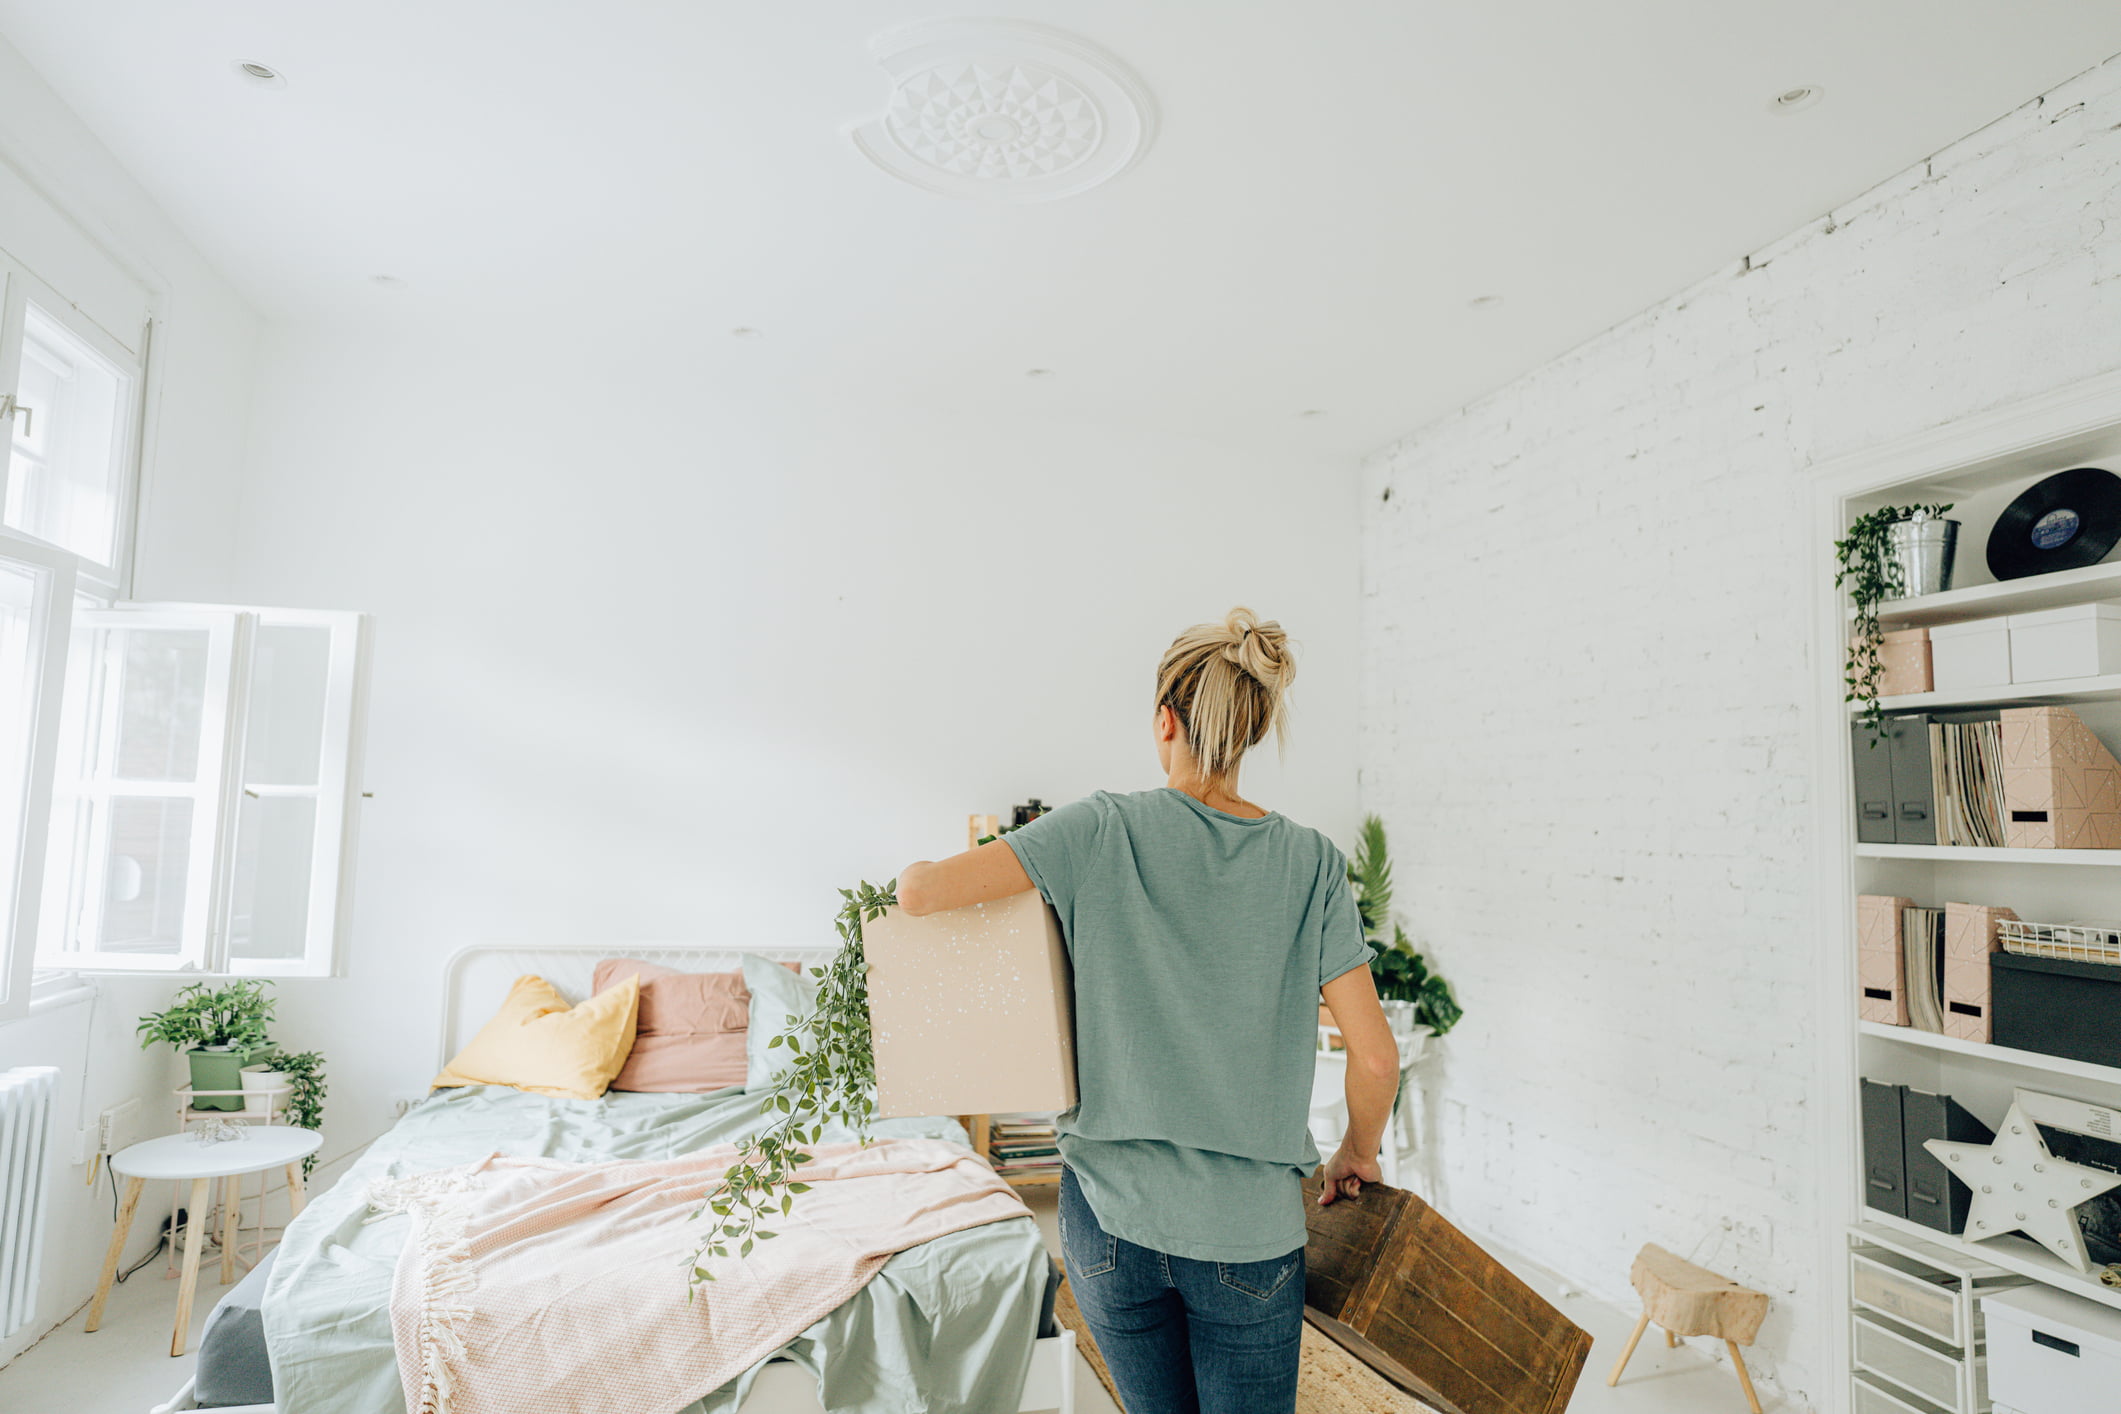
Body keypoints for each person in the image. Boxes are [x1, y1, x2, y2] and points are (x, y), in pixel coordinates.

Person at [896, 607, 1400, 1414]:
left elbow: (920, 894)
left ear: (1165, 720)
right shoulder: (1308, 862)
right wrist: (1355, 1152)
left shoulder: (1099, 828)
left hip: (1109, 1225)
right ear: (1251, 731)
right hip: (1250, 1237)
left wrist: (917, 867)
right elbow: (1375, 1059)